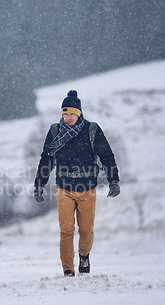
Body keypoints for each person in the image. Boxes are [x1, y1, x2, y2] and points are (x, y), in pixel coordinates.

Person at [33, 90, 120, 277]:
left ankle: (84, 256)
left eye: (72, 113)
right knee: (66, 231)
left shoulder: (92, 130)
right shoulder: (55, 131)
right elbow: (46, 159)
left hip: (87, 188)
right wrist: (39, 185)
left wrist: (114, 180)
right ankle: (68, 270)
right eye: (65, 113)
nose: (68, 117)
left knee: (87, 231)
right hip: (63, 188)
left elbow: (107, 156)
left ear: (79, 113)